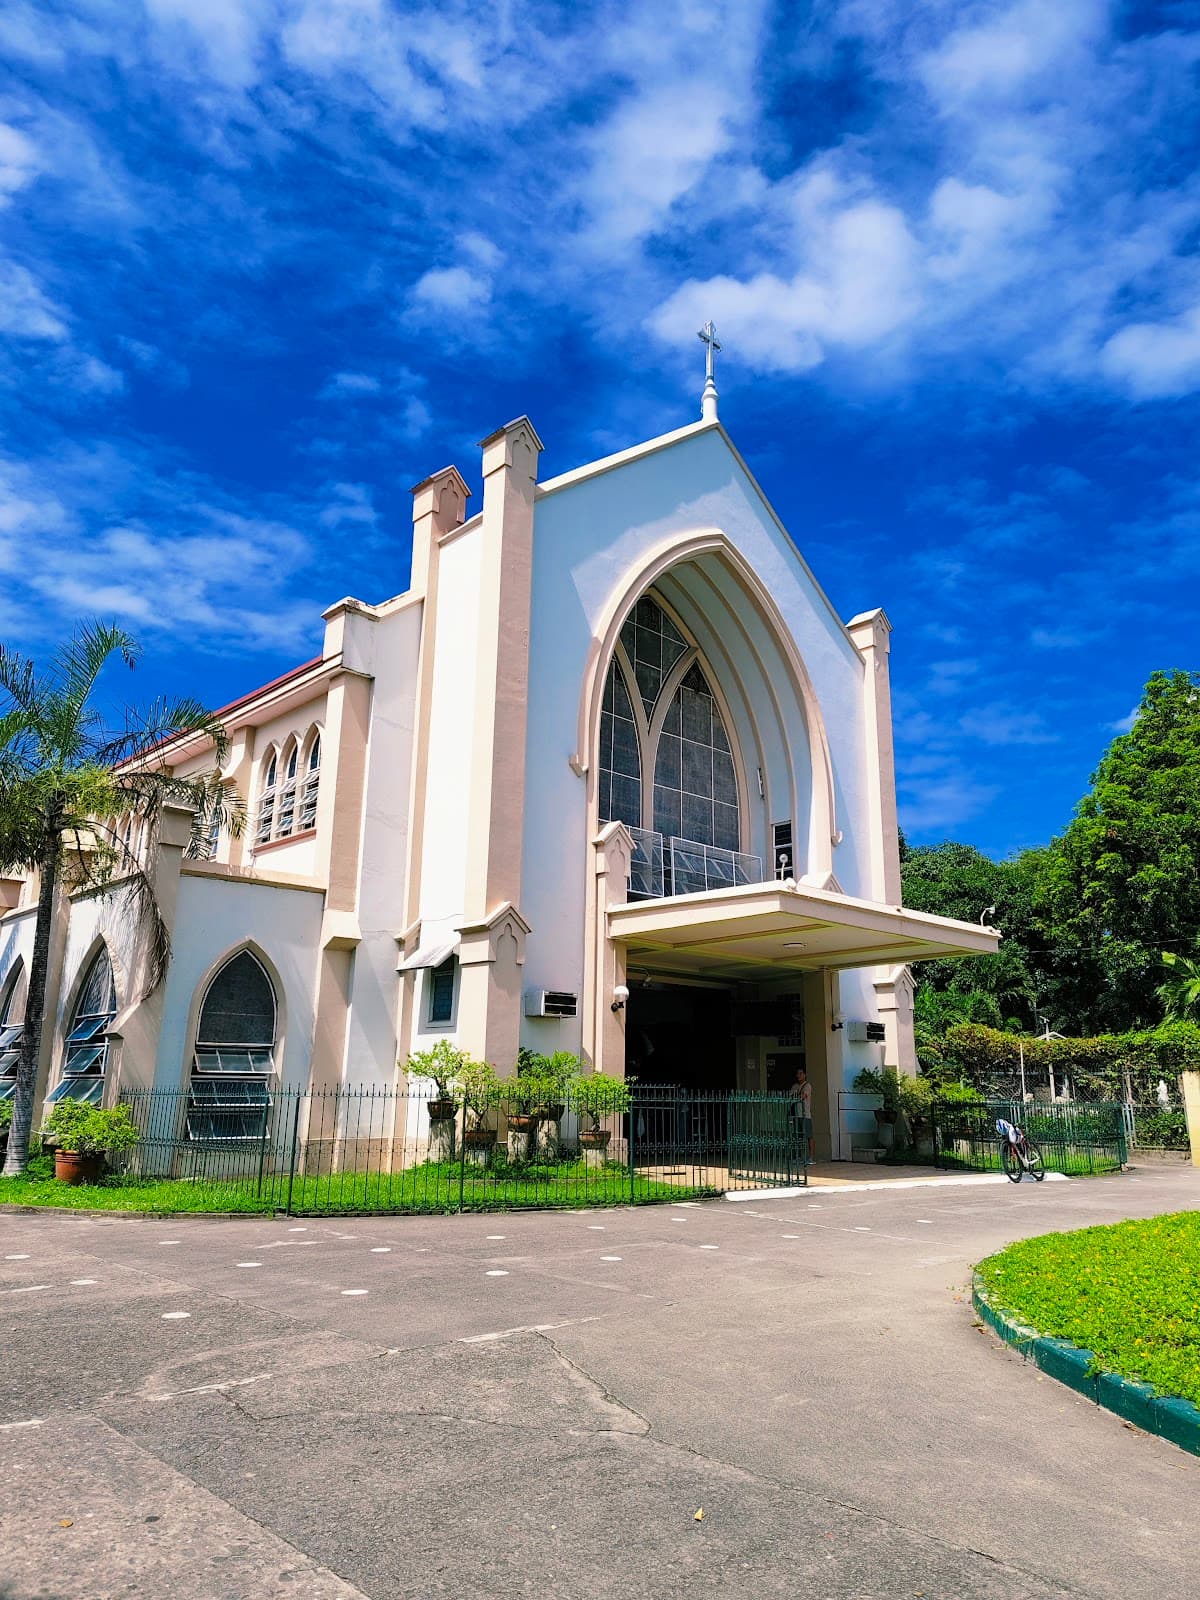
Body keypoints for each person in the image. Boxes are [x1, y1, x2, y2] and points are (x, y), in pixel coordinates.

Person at [789, 1064, 814, 1163]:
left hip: (805, 1115)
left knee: (809, 1136)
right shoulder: (795, 1086)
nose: (799, 1076)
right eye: (797, 1074)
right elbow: (790, 1097)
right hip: (796, 1114)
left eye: (801, 1073)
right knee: (798, 1136)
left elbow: (803, 1096)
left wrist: (796, 1096)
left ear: (804, 1075)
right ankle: (799, 1156)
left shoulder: (807, 1086)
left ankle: (811, 1157)